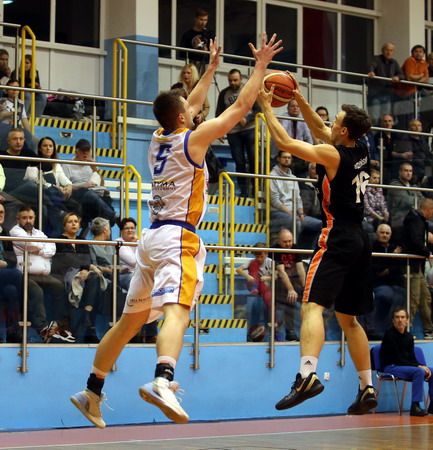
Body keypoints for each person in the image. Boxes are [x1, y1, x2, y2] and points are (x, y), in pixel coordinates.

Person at [70, 33, 282, 428]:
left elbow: (192, 103)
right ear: (183, 118)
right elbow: (240, 106)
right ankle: (162, 380)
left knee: (128, 323)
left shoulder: (158, 138)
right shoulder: (194, 141)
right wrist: (260, 67)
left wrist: (211, 68)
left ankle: (91, 391)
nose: (192, 107)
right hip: (176, 238)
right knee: (178, 312)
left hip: (151, 238)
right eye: (187, 107)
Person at [257, 72, 378, 414]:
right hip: (361, 238)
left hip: (337, 235)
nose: (330, 122)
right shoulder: (361, 147)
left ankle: (307, 375)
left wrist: (268, 108)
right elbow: (321, 130)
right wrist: (298, 98)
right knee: (349, 319)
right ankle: (367, 386)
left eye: (336, 120)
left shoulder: (334, 156)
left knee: (311, 305)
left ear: (344, 130)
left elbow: (286, 143)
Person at [10, 205, 75, 343]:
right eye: (24, 218)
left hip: (43, 275)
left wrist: (38, 249)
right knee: (36, 291)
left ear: (35, 218)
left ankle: (59, 326)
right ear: (18, 219)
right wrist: (40, 246)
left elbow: (52, 247)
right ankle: (42, 329)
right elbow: (31, 244)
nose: (28, 221)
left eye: (30, 218)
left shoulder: (39, 233)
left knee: (60, 287)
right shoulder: (14, 231)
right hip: (24, 275)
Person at [51, 213, 102, 342]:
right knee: (94, 283)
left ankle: (86, 315)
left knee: (96, 280)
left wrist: (85, 268)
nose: (74, 224)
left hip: (81, 274)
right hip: (64, 274)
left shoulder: (82, 240)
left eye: (76, 221)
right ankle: (88, 326)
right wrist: (86, 267)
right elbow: (68, 260)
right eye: (70, 222)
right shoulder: (59, 240)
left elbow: (86, 258)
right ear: (64, 226)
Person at [215, 68, 261, 197]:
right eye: (230, 80)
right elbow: (219, 114)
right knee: (239, 162)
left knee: (253, 160)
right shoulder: (224, 93)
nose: (233, 83)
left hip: (249, 129)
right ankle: (244, 191)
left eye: (235, 80)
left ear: (241, 79)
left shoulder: (250, 90)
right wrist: (219, 131)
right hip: (233, 132)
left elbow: (259, 110)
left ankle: (255, 190)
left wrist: (247, 118)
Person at [380, 307, 433, 416]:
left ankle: (432, 405)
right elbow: (397, 358)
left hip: (404, 366)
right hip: (391, 366)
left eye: (402, 317)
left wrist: (420, 365)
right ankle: (415, 406)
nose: (400, 320)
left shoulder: (408, 336)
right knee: (419, 371)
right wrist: (418, 367)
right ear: (393, 320)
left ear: (407, 320)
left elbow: (412, 357)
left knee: (431, 370)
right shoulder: (389, 335)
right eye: (397, 317)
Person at [116, 217, 158, 344]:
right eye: (127, 228)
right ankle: (137, 331)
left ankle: (150, 333)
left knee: (153, 291)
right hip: (124, 275)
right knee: (140, 288)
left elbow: (149, 258)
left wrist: (138, 244)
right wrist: (139, 246)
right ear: (121, 231)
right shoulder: (119, 242)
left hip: (140, 275)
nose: (130, 231)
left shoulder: (139, 242)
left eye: (132, 228)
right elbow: (134, 261)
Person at [61, 139, 118, 229]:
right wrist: (83, 186)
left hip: (92, 194)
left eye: (87, 151)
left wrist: (95, 169)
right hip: (77, 194)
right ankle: (114, 217)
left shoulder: (90, 165)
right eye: (83, 150)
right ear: (76, 151)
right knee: (88, 193)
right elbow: (66, 187)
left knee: (105, 197)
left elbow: (102, 184)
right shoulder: (67, 165)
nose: (85, 153)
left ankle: (107, 227)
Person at [269, 150, 322, 248]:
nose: (287, 160)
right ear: (278, 159)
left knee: (320, 224)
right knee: (296, 223)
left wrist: (301, 214)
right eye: (284, 157)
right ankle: (295, 251)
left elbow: (298, 199)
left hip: (295, 214)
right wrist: (291, 214)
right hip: (278, 213)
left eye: (289, 158)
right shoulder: (271, 176)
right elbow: (274, 201)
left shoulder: (293, 177)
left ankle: (311, 252)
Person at [402, 198, 433, 339]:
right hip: (411, 266)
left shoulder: (418, 220)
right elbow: (416, 243)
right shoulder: (415, 220)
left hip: (417, 266)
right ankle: (405, 330)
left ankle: (429, 330)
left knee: (425, 297)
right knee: (413, 299)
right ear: (429, 209)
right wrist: (428, 252)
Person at [371, 224, 406, 334]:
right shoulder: (372, 248)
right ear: (376, 234)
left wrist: (389, 268)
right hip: (378, 284)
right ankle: (390, 329)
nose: (385, 235)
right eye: (382, 232)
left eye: (387, 233)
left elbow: (400, 267)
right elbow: (377, 268)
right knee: (391, 296)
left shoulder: (394, 247)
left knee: (402, 295)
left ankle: (391, 328)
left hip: (395, 284)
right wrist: (392, 257)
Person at [273, 228, 306, 341]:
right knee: (290, 298)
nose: (288, 244)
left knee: (310, 299)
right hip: (277, 282)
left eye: (290, 241)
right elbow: (281, 272)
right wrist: (291, 289)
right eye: (285, 242)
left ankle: (309, 330)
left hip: (293, 280)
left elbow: (300, 269)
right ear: (279, 241)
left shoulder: (295, 248)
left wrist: (305, 288)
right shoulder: (274, 249)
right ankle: (289, 330)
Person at [0, 202, 22, 343]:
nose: (0, 215)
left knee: (11, 290)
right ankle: (24, 315)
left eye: (2, 212)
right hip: (6, 274)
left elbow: (13, 259)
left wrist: (5, 263)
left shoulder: (5, 232)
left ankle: (11, 331)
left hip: (3, 276)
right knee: (17, 275)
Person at [367, 43, 404, 125]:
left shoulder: (394, 62)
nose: (389, 52)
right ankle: (374, 133)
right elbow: (371, 66)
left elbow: (402, 75)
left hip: (387, 94)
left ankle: (384, 133)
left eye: (391, 50)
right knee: (375, 117)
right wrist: (371, 71)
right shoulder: (377, 59)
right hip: (375, 94)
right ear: (382, 51)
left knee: (386, 118)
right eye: (387, 50)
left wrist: (398, 77)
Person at [236, 242, 273, 322]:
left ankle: (273, 321)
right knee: (254, 263)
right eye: (257, 257)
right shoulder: (252, 261)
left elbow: (277, 276)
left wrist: (267, 278)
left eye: (261, 256)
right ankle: (254, 287)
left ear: (266, 254)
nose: (259, 259)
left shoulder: (270, 262)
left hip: (265, 286)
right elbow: (238, 269)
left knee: (269, 301)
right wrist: (247, 276)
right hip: (253, 283)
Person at [277, 98, 313, 177]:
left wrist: (310, 155)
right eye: (293, 106)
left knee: (305, 165)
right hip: (285, 149)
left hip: (298, 151)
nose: (295, 108)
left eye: (297, 106)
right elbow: (282, 136)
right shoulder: (283, 118)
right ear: (288, 108)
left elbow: (308, 138)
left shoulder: (303, 120)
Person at [395, 45, 428, 130]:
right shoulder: (410, 60)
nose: (418, 53)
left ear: (423, 54)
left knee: (414, 115)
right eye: (416, 51)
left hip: (415, 92)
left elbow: (426, 78)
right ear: (412, 53)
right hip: (405, 92)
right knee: (406, 115)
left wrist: (416, 79)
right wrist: (420, 76)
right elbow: (409, 77)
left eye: (420, 52)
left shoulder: (424, 62)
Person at [387, 162, 424, 236]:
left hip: (413, 217)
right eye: (406, 171)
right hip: (398, 217)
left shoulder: (413, 186)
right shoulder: (394, 185)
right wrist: (418, 201)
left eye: (410, 171)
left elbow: (424, 201)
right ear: (400, 172)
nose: (409, 173)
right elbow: (407, 201)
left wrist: (419, 202)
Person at [392, 119, 430, 185]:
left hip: (424, 163)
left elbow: (427, 152)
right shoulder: (405, 139)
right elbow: (409, 155)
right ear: (409, 128)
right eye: (414, 125)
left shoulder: (423, 139)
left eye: (419, 125)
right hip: (413, 164)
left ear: (421, 128)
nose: (417, 127)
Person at [374, 113, 397, 184]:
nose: (388, 123)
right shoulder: (377, 136)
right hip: (384, 163)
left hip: (395, 163)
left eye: (390, 121)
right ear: (381, 123)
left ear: (393, 123)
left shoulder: (397, 135)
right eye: (385, 121)